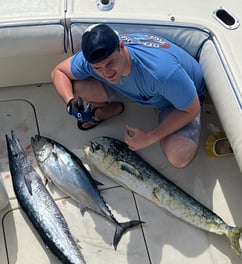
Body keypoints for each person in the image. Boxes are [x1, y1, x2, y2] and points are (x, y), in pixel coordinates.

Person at [51, 23, 205, 168]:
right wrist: (70, 102)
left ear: (121, 46)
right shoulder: (93, 61)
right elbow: (59, 72)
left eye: (110, 63)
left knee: (178, 155)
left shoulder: (161, 72)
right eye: (98, 68)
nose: (107, 72)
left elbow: (192, 109)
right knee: (75, 87)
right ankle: (108, 110)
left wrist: (150, 137)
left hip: (177, 99)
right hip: (135, 89)